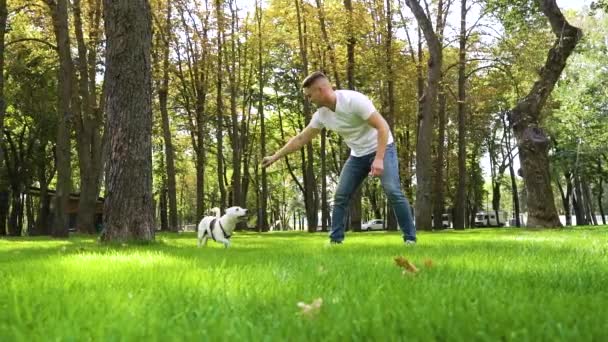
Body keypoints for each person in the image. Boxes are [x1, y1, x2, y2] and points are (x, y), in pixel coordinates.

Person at [262, 71, 416, 245]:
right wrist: (275, 156)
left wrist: (379, 158)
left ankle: (410, 239)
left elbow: (383, 127)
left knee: (392, 191)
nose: (309, 100)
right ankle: (335, 241)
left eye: (309, 95)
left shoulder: (354, 101)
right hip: (357, 155)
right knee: (341, 195)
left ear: (320, 90)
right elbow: (300, 139)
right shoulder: (322, 115)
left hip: (382, 147)